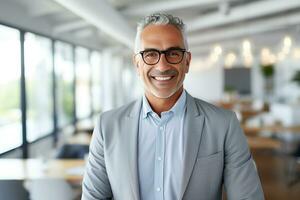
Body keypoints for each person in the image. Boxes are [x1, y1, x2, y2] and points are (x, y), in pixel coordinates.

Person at [82, 13, 264, 200]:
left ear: (187, 62)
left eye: (173, 53)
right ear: (137, 64)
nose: (162, 66)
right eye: (150, 54)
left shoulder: (224, 125)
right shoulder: (108, 126)